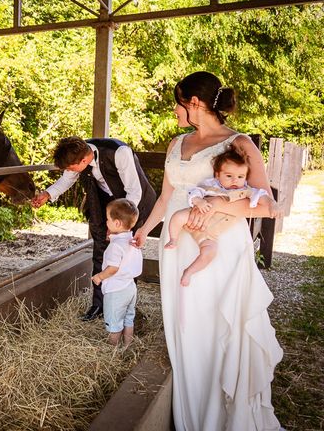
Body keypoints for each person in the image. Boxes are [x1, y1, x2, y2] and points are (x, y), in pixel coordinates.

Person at [133, 71, 283, 430]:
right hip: (178, 247)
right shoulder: (176, 143)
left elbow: (266, 206)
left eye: (178, 102)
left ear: (195, 104)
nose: (174, 110)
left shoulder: (239, 143)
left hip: (221, 247)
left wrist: (215, 207)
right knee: (186, 328)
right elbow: (168, 197)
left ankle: (223, 418)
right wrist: (143, 228)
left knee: (216, 327)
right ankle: (192, 414)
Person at [32, 136, 156, 321]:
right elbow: (67, 179)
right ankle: (99, 305)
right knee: (100, 251)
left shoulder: (119, 153)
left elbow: (134, 191)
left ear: (83, 160)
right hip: (104, 205)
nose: (70, 171)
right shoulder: (80, 153)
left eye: (71, 167)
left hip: (132, 207)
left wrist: (119, 224)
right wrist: (47, 194)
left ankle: (123, 306)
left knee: (125, 255)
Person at [165, 146, 280, 286]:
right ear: (218, 175)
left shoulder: (246, 190)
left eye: (240, 177)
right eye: (229, 176)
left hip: (210, 234)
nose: (235, 181)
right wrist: (198, 201)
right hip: (194, 219)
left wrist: (273, 204)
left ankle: (189, 272)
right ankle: (173, 239)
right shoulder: (211, 185)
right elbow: (195, 192)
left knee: (210, 252)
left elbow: (262, 196)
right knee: (177, 217)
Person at [92, 198, 142, 346]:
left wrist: (99, 276)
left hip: (116, 290)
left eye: (108, 219)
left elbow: (113, 268)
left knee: (114, 323)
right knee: (128, 318)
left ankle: (112, 350)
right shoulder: (133, 242)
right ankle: (127, 346)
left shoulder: (115, 247)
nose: (106, 222)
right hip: (130, 287)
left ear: (117, 223)